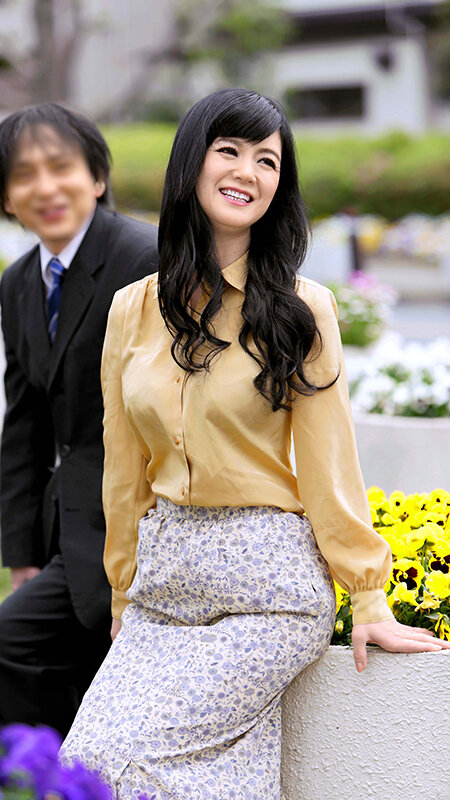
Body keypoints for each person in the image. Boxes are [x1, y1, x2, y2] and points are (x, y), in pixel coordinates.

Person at [59, 88, 449, 798]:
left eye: (268, 160)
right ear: (193, 163)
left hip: (267, 589)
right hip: (162, 591)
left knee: (125, 761)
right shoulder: (131, 309)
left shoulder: (302, 308)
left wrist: (368, 597)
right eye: (230, 150)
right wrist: (122, 592)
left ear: (279, 184)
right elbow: (123, 468)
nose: (248, 171)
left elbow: (331, 463)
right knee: (86, 767)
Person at [0, 103, 158, 736]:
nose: (45, 188)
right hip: (67, 531)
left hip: (142, 526)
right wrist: (22, 554)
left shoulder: (145, 257)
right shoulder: (19, 282)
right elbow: (25, 423)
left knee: (21, 646)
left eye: (60, 167)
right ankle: (58, 776)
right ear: (7, 198)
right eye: (23, 175)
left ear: (96, 176)